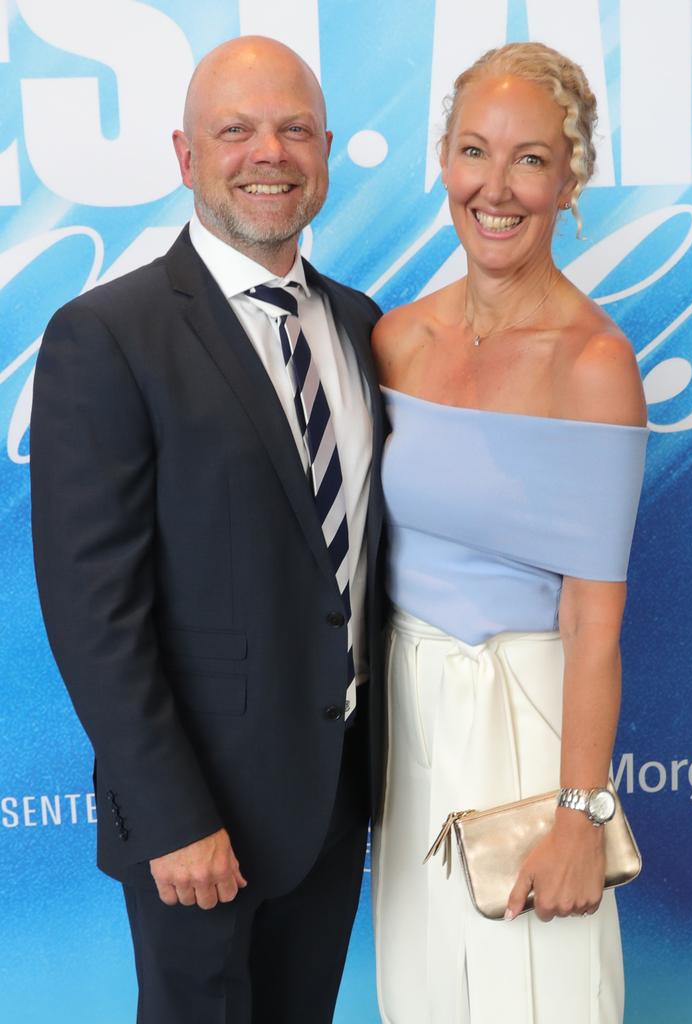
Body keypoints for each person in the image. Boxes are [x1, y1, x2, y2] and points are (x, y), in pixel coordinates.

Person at [30, 36, 386, 1024]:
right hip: (199, 822)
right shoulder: (106, 337)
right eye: (236, 130)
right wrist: (174, 818)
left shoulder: (362, 327)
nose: (268, 152)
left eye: (294, 129)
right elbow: (94, 612)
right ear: (187, 157)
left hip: (331, 801)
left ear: (325, 149)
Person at [371, 42, 647, 1023]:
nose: (498, 186)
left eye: (531, 158)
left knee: (544, 999)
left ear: (570, 178)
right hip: (409, 725)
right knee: (424, 993)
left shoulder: (594, 363)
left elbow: (594, 621)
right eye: (475, 151)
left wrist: (582, 813)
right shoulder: (394, 339)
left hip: (533, 724)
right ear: (443, 159)